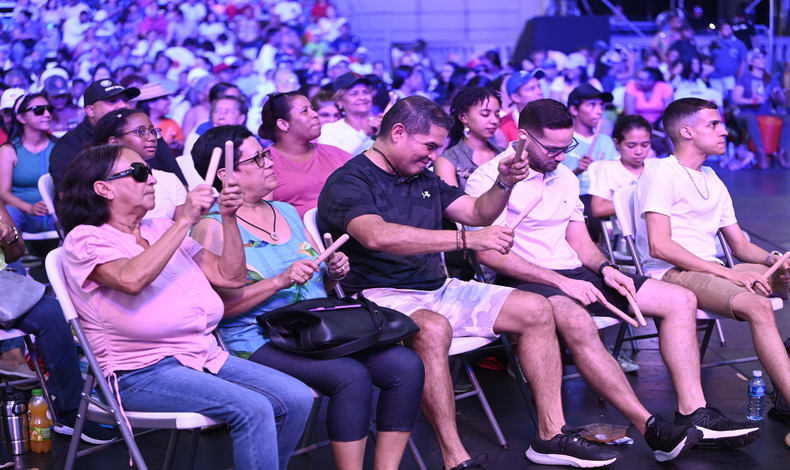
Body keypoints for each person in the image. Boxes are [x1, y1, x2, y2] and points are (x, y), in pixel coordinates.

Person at [318, 96, 622, 469]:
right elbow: (377, 236)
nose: (432, 156)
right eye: (428, 146)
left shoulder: (420, 175)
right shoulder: (349, 180)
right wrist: (466, 240)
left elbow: (477, 212)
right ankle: (454, 458)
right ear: (398, 132)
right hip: (376, 297)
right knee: (431, 328)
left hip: (436, 288)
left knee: (536, 308)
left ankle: (550, 435)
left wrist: (504, 182)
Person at [467, 98, 762, 459]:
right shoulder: (489, 177)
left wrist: (606, 268)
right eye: (553, 149)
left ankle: (694, 412)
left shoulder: (562, 177)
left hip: (576, 271)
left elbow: (579, 241)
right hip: (525, 278)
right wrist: (562, 283)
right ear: (524, 137)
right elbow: (488, 253)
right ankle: (650, 426)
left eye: (568, 147)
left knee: (678, 299)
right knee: (577, 320)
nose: (562, 157)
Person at [56, 143, 313, 470]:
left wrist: (229, 219)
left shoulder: (158, 228)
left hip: (202, 353)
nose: (151, 180)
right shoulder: (86, 239)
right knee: (253, 408)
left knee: (297, 398)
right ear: (103, 188)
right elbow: (131, 279)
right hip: (139, 371)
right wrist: (185, 221)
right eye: (138, 173)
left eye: (149, 172)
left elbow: (229, 276)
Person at [190, 125, 424, 470]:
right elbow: (221, 312)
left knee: (405, 365)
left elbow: (315, 289)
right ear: (225, 174)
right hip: (258, 338)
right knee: (350, 376)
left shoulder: (285, 211)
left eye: (265, 153)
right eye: (256, 158)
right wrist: (279, 281)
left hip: (317, 329)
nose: (269, 162)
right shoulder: (210, 228)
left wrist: (333, 272)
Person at [636, 97, 790, 423]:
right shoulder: (661, 174)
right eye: (713, 125)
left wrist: (775, 258)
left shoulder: (711, 179)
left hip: (712, 268)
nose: (724, 132)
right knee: (758, 305)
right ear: (687, 131)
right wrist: (726, 274)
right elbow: (659, 246)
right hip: (673, 272)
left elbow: (741, 245)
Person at [49, 78, 186, 195]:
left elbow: (180, 183)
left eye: (125, 100)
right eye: (112, 101)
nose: (123, 105)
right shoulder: (69, 146)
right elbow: (69, 198)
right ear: (90, 110)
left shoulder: (149, 136)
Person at [258, 92, 351, 218]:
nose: (315, 114)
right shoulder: (264, 163)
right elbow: (262, 216)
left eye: (312, 109)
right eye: (304, 111)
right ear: (284, 124)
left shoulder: (335, 154)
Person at [93, 109, 186, 221]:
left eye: (152, 131)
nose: (151, 138)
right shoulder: (101, 184)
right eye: (140, 132)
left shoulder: (170, 180)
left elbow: (184, 231)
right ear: (114, 142)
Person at [0, 93, 57, 236]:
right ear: (21, 117)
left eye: (49, 109)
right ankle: (11, 257)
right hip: (22, 214)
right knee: (8, 215)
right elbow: (3, 192)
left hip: (57, 212)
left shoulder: (59, 146)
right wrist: (30, 208)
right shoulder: (8, 150)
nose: (47, 114)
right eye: (39, 110)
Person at [435, 87, 503, 191]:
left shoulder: (505, 154)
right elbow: (453, 205)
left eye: (497, 115)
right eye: (485, 114)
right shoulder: (448, 160)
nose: (494, 120)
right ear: (463, 116)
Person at [732, 48, 790, 169]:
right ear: (752, 61)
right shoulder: (745, 78)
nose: (763, 60)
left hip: (766, 112)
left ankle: (781, 153)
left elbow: (783, 101)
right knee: (751, 119)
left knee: (787, 119)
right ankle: (761, 156)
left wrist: (778, 94)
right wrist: (752, 101)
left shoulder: (770, 78)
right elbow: (736, 99)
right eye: (759, 57)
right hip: (747, 112)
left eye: (764, 57)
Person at [588, 115, 656, 219]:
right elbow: (598, 209)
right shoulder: (609, 169)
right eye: (631, 146)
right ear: (617, 143)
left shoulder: (657, 166)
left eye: (645, 145)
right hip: (627, 233)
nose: (639, 152)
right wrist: (642, 201)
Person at [317, 72, 380, 155]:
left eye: (366, 92)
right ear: (339, 101)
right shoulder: (330, 129)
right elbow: (331, 159)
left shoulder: (380, 124)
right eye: (354, 94)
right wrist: (364, 134)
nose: (362, 97)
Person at [495, 69, 545, 147]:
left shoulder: (555, 117)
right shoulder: (503, 126)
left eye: (539, 86)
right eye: (531, 89)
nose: (540, 92)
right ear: (516, 97)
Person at [708, 22, 748, 103]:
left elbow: (743, 61)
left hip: (730, 76)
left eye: (729, 29)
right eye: (725, 29)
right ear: (720, 31)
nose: (727, 31)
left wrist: (740, 76)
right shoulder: (715, 43)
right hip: (715, 77)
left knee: (731, 99)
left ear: (732, 31)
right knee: (717, 100)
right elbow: (709, 59)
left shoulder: (739, 44)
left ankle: (733, 115)